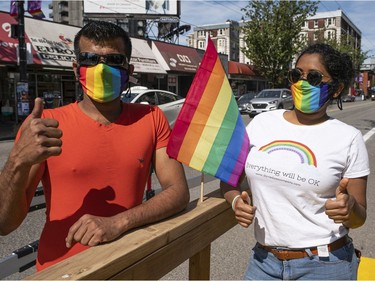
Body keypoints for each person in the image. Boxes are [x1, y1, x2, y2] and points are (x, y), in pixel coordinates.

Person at [0, 20, 189, 271]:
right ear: (76, 67)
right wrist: (16, 162)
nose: (101, 68)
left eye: (114, 60)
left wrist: (118, 222)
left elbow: (178, 192)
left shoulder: (151, 118)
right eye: (90, 59)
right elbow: (5, 224)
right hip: (60, 271)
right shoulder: (44, 124)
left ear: (129, 68)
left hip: (127, 266)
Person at [221, 43, 369, 280]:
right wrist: (236, 201)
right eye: (296, 75)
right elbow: (229, 181)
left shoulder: (349, 138)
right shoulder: (260, 124)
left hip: (327, 265)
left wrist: (349, 207)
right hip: (263, 262)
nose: (302, 83)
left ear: (337, 89)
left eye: (313, 77)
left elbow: (359, 216)